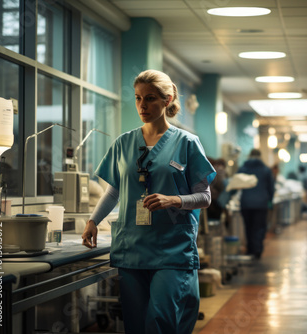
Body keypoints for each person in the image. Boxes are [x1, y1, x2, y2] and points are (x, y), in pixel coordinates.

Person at [81, 69, 216, 334]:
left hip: (172, 248)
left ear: (167, 100)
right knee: (136, 322)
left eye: (150, 98)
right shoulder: (123, 143)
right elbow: (113, 191)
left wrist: (173, 200)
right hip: (133, 247)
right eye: (138, 98)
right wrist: (92, 221)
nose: (142, 105)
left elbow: (205, 197)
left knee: (161, 319)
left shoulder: (187, 143)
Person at [237, 149, 275, 259]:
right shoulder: (266, 170)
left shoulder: (242, 169)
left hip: (246, 203)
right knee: (258, 227)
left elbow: (235, 183)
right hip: (261, 204)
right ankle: (257, 249)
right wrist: (269, 201)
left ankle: (250, 249)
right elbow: (271, 188)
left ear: (249, 155)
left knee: (248, 227)